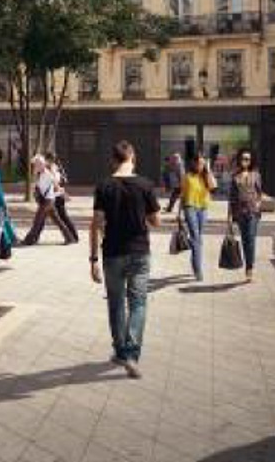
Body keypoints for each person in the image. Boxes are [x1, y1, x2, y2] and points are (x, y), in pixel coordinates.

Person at [90, 141, 161, 378]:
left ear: (113, 160)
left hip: (112, 253)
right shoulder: (145, 185)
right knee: (138, 303)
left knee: (116, 303)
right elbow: (156, 221)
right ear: (132, 157)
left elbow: (96, 224)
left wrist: (93, 260)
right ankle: (131, 354)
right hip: (140, 252)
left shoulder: (104, 186)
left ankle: (121, 352)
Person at [227, 149, 265, 283]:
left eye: (248, 159)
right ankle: (248, 266)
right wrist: (229, 218)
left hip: (253, 212)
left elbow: (260, 193)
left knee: (251, 239)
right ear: (239, 160)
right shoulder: (234, 176)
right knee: (245, 240)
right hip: (240, 212)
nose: (245, 161)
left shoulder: (256, 175)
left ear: (251, 161)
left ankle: (250, 268)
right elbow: (231, 198)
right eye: (243, 158)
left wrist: (259, 204)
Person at [22, 155, 74, 246]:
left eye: (36, 165)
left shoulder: (47, 173)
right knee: (57, 221)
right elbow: (36, 185)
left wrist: (65, 195)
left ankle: (29, 240)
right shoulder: (40, 174)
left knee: (37, 221)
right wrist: (35, 173)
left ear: (41, 164)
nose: (34, 166)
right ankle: (69, 238)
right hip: (47, 201)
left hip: (48, 201)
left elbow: (56, 185)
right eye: (34, 165)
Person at [180, 153, 215, 281]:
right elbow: (183, 195)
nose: (200, 165)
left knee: (198, 238)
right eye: (198, 163)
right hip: (190, 207)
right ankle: (198, 270)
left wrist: (209, 170)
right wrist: (178, 214)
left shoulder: (206, 176)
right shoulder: (187, 176)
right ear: (193, 163)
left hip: (203, 209)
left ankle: (194, 258)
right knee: (196, 237)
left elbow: (213, 187)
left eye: (203, 163)